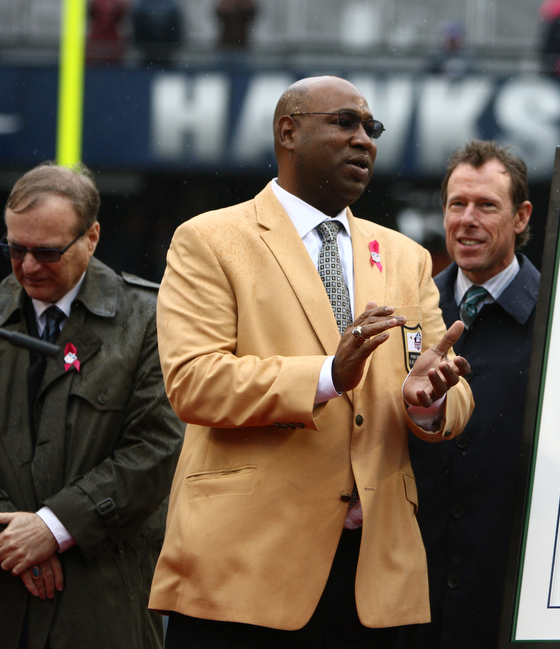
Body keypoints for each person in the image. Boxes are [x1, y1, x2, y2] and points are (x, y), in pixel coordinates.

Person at [148, 75, 475, 648]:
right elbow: (193, 382)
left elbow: (439, 374)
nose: (364, 141)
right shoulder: (209, 239)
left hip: (372, 580)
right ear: (288, 132)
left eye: (371, 129)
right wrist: (327, 376)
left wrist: (430, 401)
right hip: (244, 572)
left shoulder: (405, 257)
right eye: (345, 123)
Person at [0, 162, 184, 648]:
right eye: (15, 249)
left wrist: (52, 527)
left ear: (93, 237)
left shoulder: (150, 319)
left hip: (101, 597)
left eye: (47, 252)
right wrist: (13, 537)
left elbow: (158, 449)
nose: (29, 267)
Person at [407, 140, 536, 649]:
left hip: (510, 596)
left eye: (486, 205)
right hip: (412, 599)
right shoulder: (406, 312)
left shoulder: (559, 315)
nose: (467, 219)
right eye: (457, 204)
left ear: (522, 216)